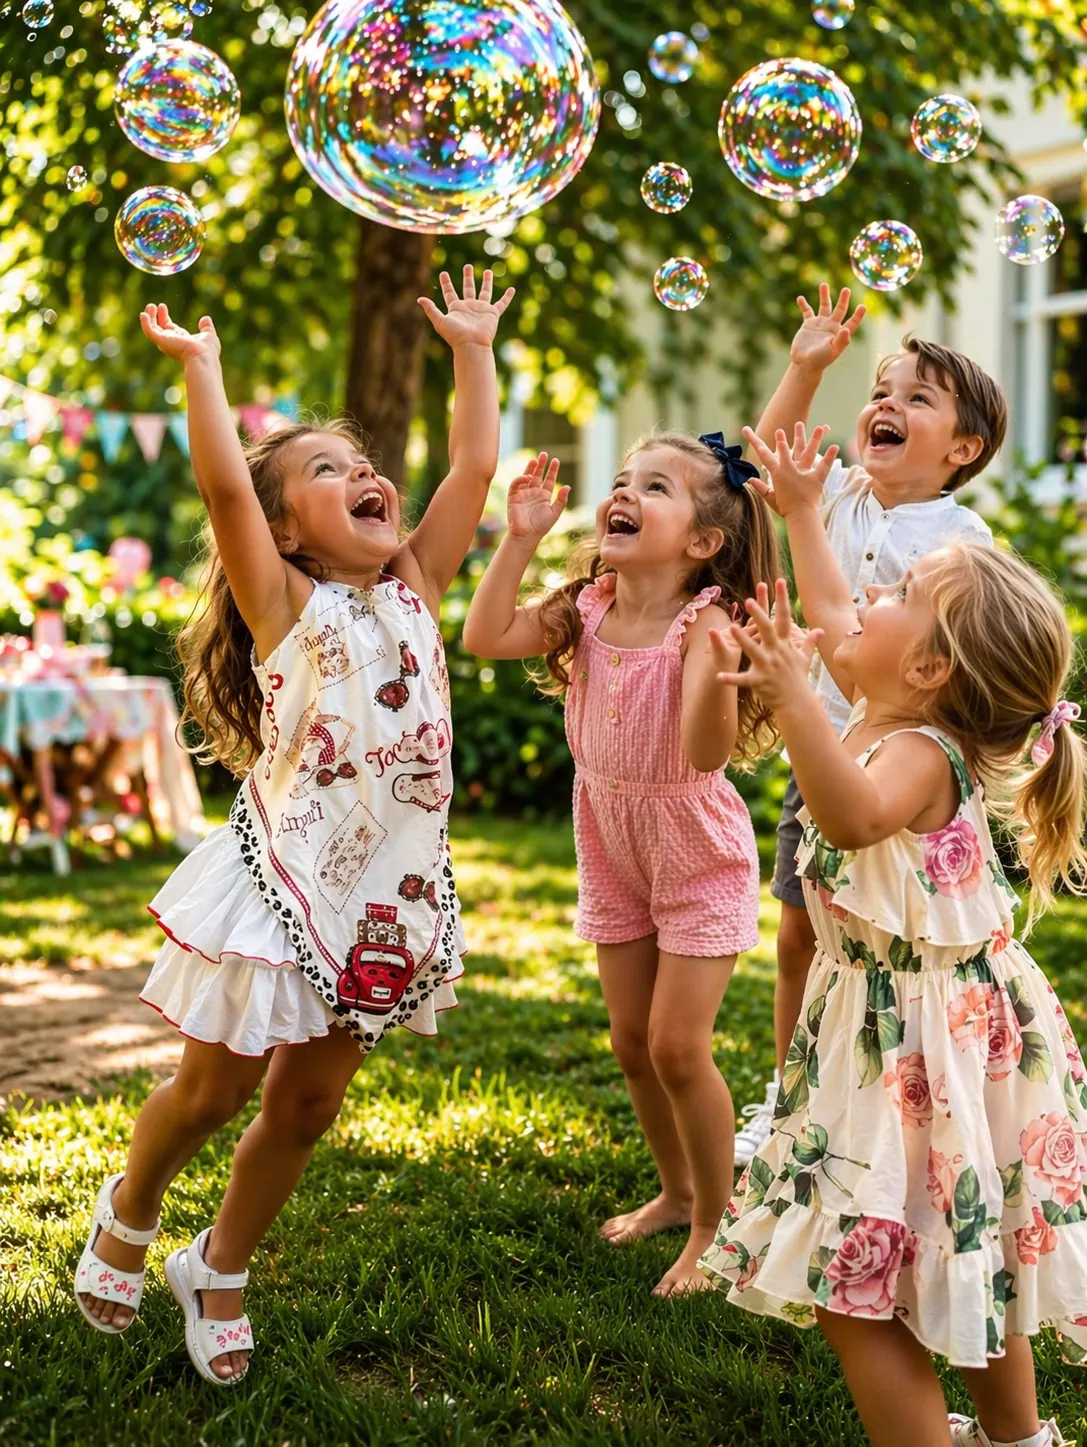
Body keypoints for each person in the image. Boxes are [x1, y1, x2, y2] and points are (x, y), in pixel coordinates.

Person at [74, 266, 514, 1385]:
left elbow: (471, 465)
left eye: (365, 464)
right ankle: (130, 1208)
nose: (363, 473)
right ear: (287, 531)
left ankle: (216, 1264)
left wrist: (472, 349)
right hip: (281, 886)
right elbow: (226, 492)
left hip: (385, 903)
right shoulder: (291, 607)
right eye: (327, 470)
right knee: (211, 1092)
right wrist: (204, 374)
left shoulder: (416, 583)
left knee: (306, 1104)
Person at [699, 423, 1087, 1447]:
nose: (864, 597)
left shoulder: (915, 748)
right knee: (973, 1243)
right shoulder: (893, 698)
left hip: (916, 1037)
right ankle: (1018, 1440)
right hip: (914, 1023)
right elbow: (830, 610)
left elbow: (849, 819)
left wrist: (792, 703)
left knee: (852, 1280)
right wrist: (792, 513)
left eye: (899, 592)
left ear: (925, 666)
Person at [463, 430, 779, 1294]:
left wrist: (715, 671)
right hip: (610, 839)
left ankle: (717, 1225)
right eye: (623, 481)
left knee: (678, 1046)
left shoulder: (702, 623)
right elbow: (486, 634)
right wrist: (520, 534)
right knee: (632, 1043)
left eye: (655, 487)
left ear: (704, 542)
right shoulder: (588, 605)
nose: (624, 494)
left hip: (695, 851)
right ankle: (676, 1191)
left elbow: (704, 754)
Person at [734, 283, 1006, 1169]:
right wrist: (806, 365)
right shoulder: (836, 493)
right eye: (882, 389)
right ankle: (791, 1094)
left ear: (962, 448)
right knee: (797, 934)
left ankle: (903, 1099)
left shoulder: (960, 539)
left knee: (892, 948)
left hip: (905, 771)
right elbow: (766, 460)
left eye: (916, 396)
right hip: (822, 753)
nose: (885, 403)